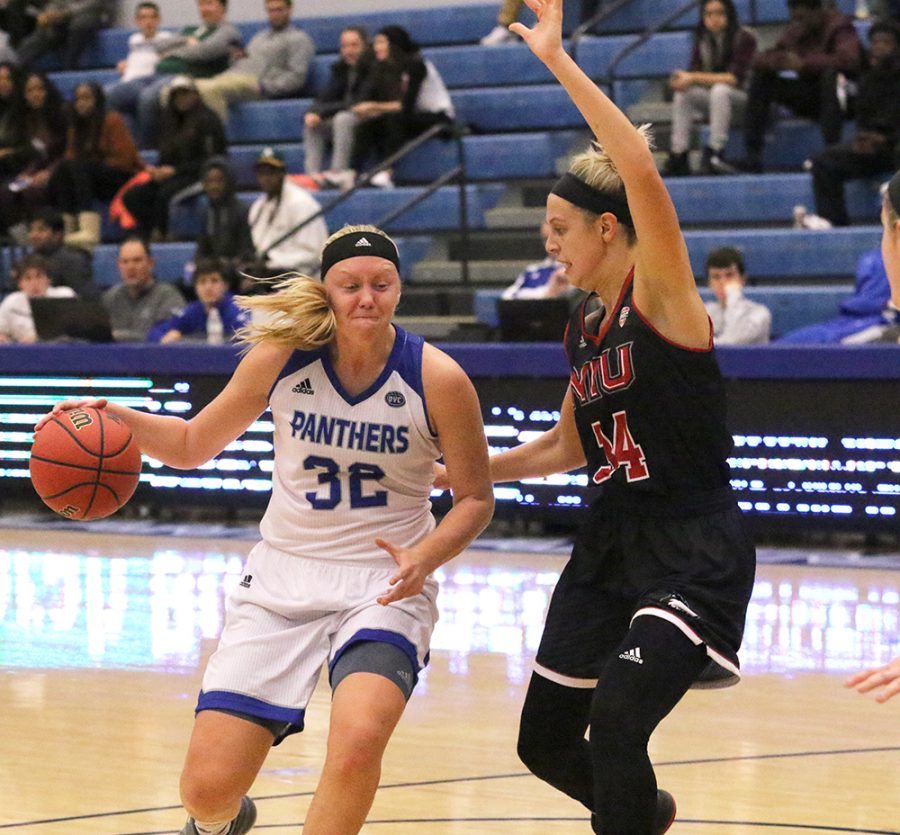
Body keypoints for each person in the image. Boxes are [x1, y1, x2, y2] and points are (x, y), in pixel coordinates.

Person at [35, 223, 494, 835]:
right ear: (326, 290)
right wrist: (114, 415)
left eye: (381, 284)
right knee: (206, 790)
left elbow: (475, 499)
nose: (367, 298)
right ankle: (222, 820)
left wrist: (425, 556)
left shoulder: (439, 378)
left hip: (383, 585)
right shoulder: (283, 357)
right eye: (350, 285)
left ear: (398, 289)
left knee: (357, 740)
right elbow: (195, 444)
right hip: (282, 577)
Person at [435, 2, 756, 833]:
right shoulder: (581, 324)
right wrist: (460, 472)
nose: (549, 244)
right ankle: (642, 814)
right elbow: (561, 448)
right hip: (607, 546)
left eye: (559, 228)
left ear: (608, 228)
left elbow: (641, 171)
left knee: (617, 723)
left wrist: (555, 58)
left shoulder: (663, 297)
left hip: (689, 551)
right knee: (543, 743)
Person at [739, 0, 862, 173]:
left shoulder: (839, 26)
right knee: (762, 77)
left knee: (831, 76)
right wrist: (779, 61)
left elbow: (849, 60)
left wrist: (804, 64)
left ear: (817, 11)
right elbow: (762, 58)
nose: (798, 22)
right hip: (812, 98)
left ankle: (832, 153)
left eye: (802, 17)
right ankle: (752, 156)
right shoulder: (796, 30)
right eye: (794, 17)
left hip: (844, 100)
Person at [804, 20, 900, 228]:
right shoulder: (867, 80)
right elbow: (863, 120)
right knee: (823, 161)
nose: (880, 47)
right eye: (875, 42)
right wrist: (863, 139)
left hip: (895, 147)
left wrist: (886, 139)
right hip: (875, 148)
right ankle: (833, 221)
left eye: (886, 42)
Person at [121, 74, 226, 241]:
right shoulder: (168, 122)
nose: (181, 99)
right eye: (177, 95)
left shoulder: (208, 120)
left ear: (195, 95)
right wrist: (157, 170)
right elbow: (165, 156)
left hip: (198, 174)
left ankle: (163, 234)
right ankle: (149, 231)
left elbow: (211, 160)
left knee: (166, 194)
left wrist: (176, 171)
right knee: (132, 196)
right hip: (173, 175)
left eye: (185, 93)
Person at [349, 25, 455, 190]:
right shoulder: (385, 67)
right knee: (369, 123)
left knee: (394, 118)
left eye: (381, 42)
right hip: (412, 116)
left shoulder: (417, 65)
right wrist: (367, 110)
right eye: (375, 43)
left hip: (437, 117)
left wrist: (373, 106)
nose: (376, 48)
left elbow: (406, 105)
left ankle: (386, 172)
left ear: (394, 45)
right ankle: (351, 173)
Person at [662, 0, 757, 176]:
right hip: (717, 100)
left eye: (719, 13)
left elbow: (733, 78)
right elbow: (694, 73)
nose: (714, 18)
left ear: (729, 15)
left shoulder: (745, 38)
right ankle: (679, 154)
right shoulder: (703, 39)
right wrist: (681, 80)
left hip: (747, 101)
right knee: (684, 94)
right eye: (708, 14)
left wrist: (692, 77)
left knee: (720, 90)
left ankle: (715, 151)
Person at [47, 81, 144, 251]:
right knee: (63, 168)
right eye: (77, 99)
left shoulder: (112, 120)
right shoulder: (75, 125)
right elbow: (70, 157)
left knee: (80, 166)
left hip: (122, 175)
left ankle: (89, 230)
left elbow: (126, 159)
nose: (81, 103)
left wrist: (93, 164)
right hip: (90, 176)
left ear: (97, 99)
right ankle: (68, 227)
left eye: (86, 98)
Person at [136, 0, 240, 147]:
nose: (204, 9)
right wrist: (186, 40)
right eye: (201, 4)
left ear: (223, 8)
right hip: (156, 74)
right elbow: (159, 46)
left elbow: (205, 52)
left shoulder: (228, 32)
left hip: (182, 77)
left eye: (209, 4)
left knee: (147, 98)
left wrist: (173, 53)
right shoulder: (190, 30)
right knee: (112, 95)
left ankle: (148, 153)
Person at [193, 0, 314, 126]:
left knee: (210, 89)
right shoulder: (259, 37)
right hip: (233, 77)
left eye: (279, 10)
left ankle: (216, 140)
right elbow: (243, 60)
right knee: (184, 90)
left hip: (256, 84)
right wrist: (235, 58)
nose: (275, 14)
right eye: (271, 10)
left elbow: (297, 76)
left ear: (289, 10)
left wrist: (265, 87)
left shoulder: (299, 39)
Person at [246, 146, 328, 284]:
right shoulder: (258, 207)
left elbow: (316, 254)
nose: (266, 178)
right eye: (262, 173)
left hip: (302, 280)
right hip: (270, 277)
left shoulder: (302, 204)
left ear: (283, 173)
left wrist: (273, 262)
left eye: (271, 173)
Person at [0, 71, 67, 237]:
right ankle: (24, 240)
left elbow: (69, 152)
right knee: (6, 193)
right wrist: (27, 174)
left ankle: (44, 235)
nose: (35, 94)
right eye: (29, 91)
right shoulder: (26, 120)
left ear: (47, 90)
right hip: (36, 172)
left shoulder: (63, 114)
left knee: (32, 193)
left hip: (62, 171)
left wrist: (48, 172)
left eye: (39, 89)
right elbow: (36, 155)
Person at [302, 25, 370, 188]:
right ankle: (312, 176)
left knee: (342, 119)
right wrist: (313, 112)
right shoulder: (340, 69)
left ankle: (338, 173)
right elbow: (324, 97)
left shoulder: (372, 69)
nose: (349, 51)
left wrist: (323, 111)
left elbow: (357, 102)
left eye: (354, 45)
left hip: (368, 121)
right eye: (345, 46)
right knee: (313, 124)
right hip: (345, 116)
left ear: (365, 46)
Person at [104, 2, 178, 121]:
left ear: (159, 20)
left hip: (148, 82)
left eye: (152, 17)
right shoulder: (134, 39)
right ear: (137, 22)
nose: (148, 22)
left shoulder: (167, 38)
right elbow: (137, 57)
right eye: (143, 18)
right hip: (126, 82)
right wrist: (126, 64)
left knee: (106, 93)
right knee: (99, 95)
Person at [101, 236, 184, 341]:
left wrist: (119, 336)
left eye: (137, 260)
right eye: (125, 262)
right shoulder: (110, 298)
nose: (130, 267)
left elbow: (167, 338)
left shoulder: (167, 297)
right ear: (118, 265)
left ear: (150, 263)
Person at [154, 257, 247, 343]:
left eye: (214, 281)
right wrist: (166, 337)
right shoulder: (192, 311)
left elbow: (246, 333)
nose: (208, 287)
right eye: (202, 282)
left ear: (226, 285)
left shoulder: (237, 308)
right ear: (195, 287)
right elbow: (155, 332)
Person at [193, 156, 255, 280]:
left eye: (218, 180)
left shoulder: (242, 211)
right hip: (213, 270)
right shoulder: (206, 212)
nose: (214, 186)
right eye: (209, 181)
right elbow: (202, 249)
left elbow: (247, 251)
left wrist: (227, 264)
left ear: (229, 182)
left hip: (236, 272)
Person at [14, 0, 113, 71]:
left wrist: (64, 13)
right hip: (66, 17)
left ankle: (69, 69)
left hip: (92, 15)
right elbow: (55, 3)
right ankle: (15, 67)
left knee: (78, 25)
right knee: (46, 31)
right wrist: (49, 13)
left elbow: (95, 3)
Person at [0, 253, 75, 343]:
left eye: (39, 276)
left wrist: (38, 338)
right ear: (20, 284)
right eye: (28, 278)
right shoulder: (11, 302)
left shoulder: (65, 296)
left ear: (48, 279)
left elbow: (75, 331)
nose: (34, 283)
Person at [703, 246, 771, 344]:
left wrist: (733, 295)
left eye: (729, 275)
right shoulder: (704, 313)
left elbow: (732, 344)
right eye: (716, 277)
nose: (723, 282)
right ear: (709, 282)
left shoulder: (760, 314)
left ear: (743, 279)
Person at [27, 208, 95, 298]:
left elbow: (85, 300)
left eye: (41, 230)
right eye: (31, 230)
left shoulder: (74, 261)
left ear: (57, 234)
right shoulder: (29, 261)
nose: (34, 235)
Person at [501, 220, 571, 299]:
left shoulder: (576, 270)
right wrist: (548, 293)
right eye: (545, 239)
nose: (550, 244)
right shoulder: (532, 271)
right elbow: (507, 297)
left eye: (555, 237)